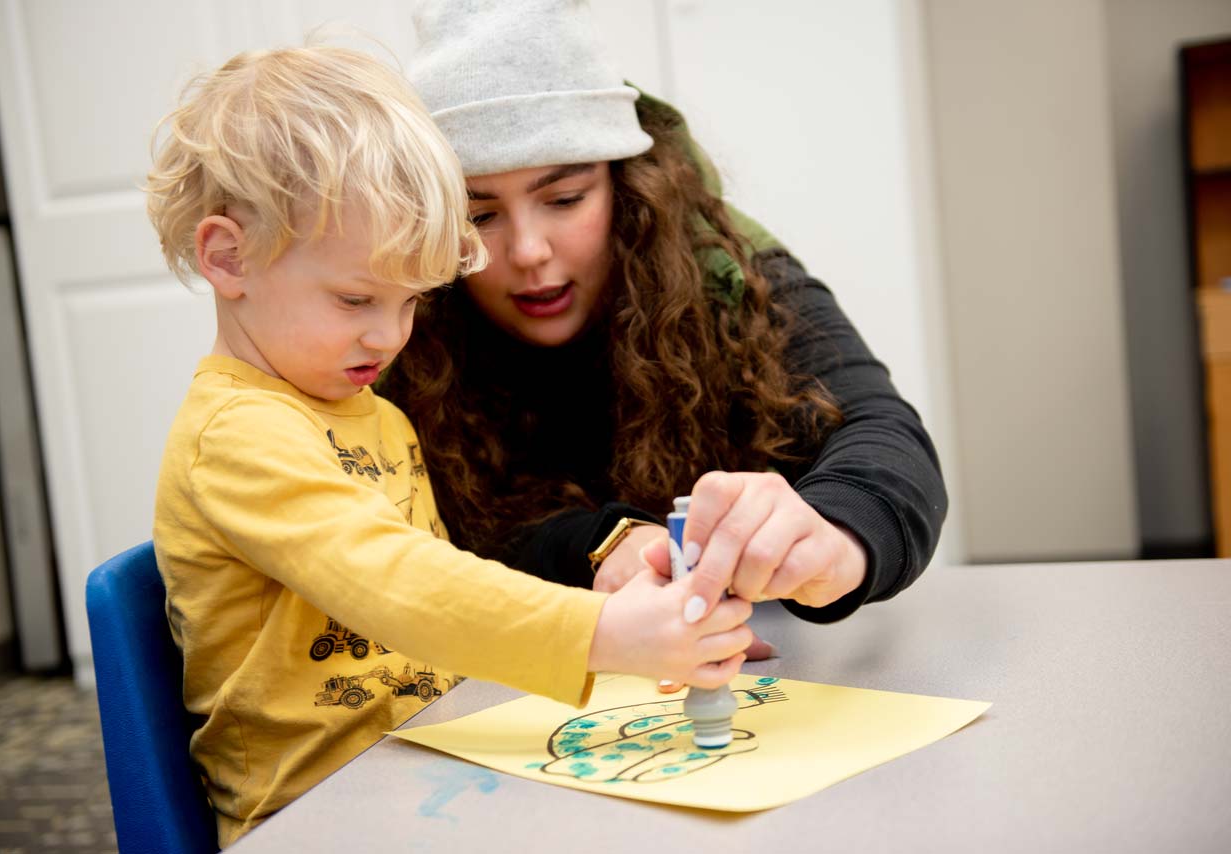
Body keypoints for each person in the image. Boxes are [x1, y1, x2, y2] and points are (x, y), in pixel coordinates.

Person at [146, 45, 753, 847]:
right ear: (229, 257)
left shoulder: (369, 412)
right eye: (357, 297)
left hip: (426, 763)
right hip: (317, 813)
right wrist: (603, 636)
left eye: (409, 302)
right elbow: (397, 585)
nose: (390, 335)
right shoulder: (236, 435)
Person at [384, 0, 948, 650]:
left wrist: (832, 538)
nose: (529, 251)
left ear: (630, 187)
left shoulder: (724, 266)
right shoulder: (405, 310)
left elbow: (881, 431)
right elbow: (435, 540)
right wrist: (605, 544)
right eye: (478, 216)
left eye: (564, 199)